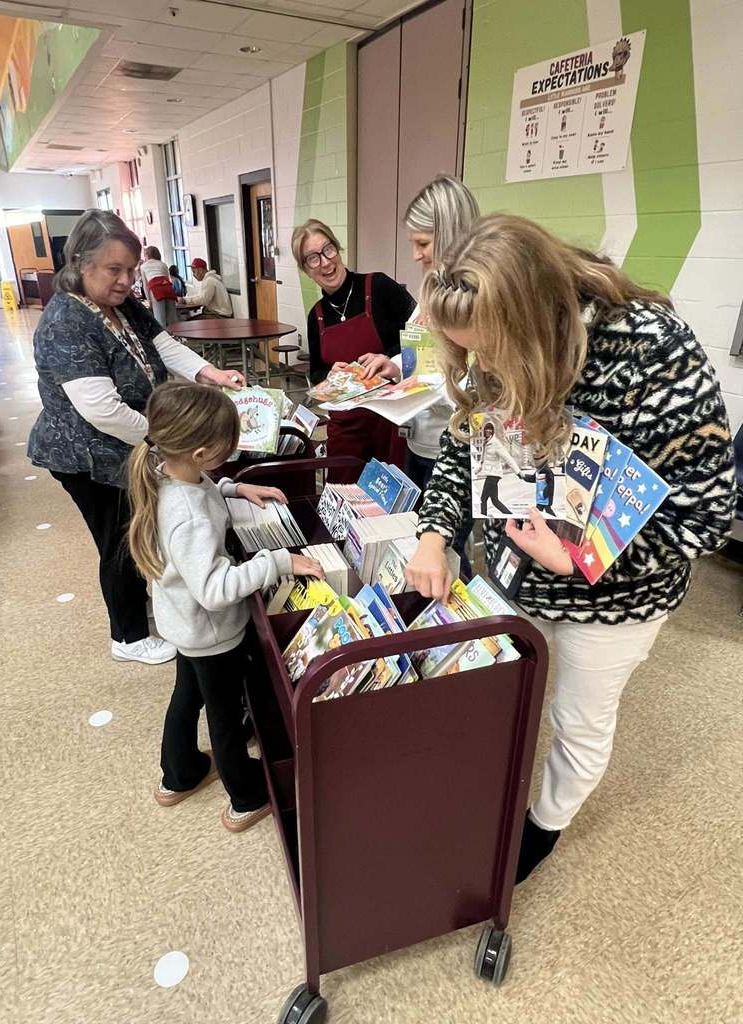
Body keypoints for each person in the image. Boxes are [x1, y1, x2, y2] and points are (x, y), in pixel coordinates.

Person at [404, 214, 736, 883]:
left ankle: (542, 829)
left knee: (578, 720)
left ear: (535, 319)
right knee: (493, 693)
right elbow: (462, 449)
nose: (484, 370)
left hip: (615, 597)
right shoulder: (492, 354)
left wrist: (587, 559)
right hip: (512, 572)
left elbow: (705, 512)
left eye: (492, 353)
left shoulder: (649, 345)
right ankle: (485, 801)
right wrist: (434, 534)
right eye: (471, 357)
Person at [27, 209, 246, 665]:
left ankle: (139, 603)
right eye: (114, 270)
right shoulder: (67, 320)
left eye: (130, 269)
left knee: (137, 528)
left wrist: (209, 372)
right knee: (120, 538)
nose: (127, 280)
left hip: (133, 445)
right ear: (81, 263)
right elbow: (102, 410)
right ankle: (126, 636)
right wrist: (170, 437)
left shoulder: (119, 304)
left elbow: (161, 344)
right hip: (86, 455)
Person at [127, 381, 324, 831]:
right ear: (199, 453)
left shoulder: (165, 468)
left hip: (184, 625)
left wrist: (236, 489)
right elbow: (214, 588)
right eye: (224, 451)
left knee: (187, 697)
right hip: (211, 632)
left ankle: (178, 775)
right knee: (224, 718)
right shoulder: (189, 517)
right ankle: (245, 796)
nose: (229, 456)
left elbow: (204, 489)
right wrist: (276, 560)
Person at [353, 175, 479, 569]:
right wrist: (391, 367)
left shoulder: (477, 299)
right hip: (419, 440)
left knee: (444, 551)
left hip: (456, 449)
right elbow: (421, 356)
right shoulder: (429, 292)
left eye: (423, 243)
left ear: (452, 235)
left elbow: (479, 386)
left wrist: (426, 387)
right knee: (414, 542)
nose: (416, 255)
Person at [292, 218, 415, 483]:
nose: (325, 262)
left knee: (390, 505)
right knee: (345, 497)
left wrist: (389, 358)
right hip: (346, 430)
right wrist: (329, 375)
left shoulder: (379, 287)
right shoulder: (317, 316)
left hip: (389, 423)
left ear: (337, 249)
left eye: (328, 250)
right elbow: (315, 373)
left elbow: (421, 335)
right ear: (305, 269)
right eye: (313, 258)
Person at [140, 246, 177, 328]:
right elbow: (168, 279)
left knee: (160, 319)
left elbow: (146, 285)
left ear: (146, 255)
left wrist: (149, 300)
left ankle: (165, 338)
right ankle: (177, 336)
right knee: (172, 318)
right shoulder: (163, 264)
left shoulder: (143, 267)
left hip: (155, 289)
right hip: (167, 288)